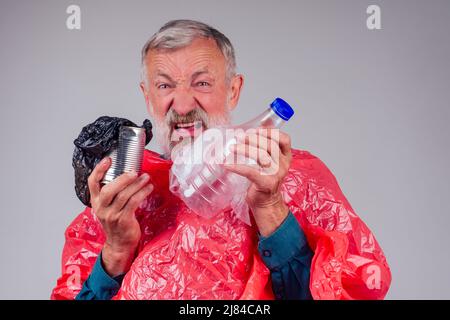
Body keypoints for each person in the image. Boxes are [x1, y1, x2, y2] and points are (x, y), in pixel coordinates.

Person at [51, 20, 391, 300]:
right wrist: (116, 248)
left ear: (233, 90)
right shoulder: (124, 195)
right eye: (165, 86)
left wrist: (271, 209)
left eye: (202, 83)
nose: (182, 106)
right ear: (147, 95)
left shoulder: (290, 180)